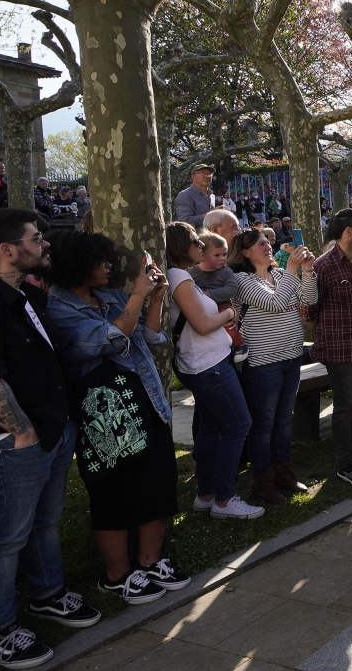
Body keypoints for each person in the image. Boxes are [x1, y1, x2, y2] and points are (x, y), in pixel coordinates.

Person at [0, 209, 101, 669]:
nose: (44, 244)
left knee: (43, 524)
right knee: (3, 540)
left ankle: (46, 594)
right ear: (8, 251)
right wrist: (22, 434)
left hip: (46, 433)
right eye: (34, 238)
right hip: (6, 447)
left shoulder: (22, 294)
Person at [44, 230, 189, 605]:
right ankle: (117, 574)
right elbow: (108, 340)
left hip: (145, 400)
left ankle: (150, 561)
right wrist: (138, 294)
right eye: (99, 260)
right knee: (114, 492)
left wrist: (155, 296)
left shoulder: (109, 297)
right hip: (103, 414)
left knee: (157, 481)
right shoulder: (58, 309)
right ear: (76, 264)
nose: (108, 266)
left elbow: (151, 336)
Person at [165, 221, 261, 520]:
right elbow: (203, 324)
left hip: (206, 361)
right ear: (182, 246)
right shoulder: (180, 277)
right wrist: (231, 313)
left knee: (212, 427)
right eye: (196, 241)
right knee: (238, 424)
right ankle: (224, 498)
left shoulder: (181, 276)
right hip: (207, 365)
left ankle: (206, 494)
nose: (202, 246)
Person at [228, 229, 316, 505]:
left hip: (291, 357)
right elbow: (276, 304)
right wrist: (292, 269)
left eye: (268, 241)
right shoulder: (242, 280)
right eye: (260, 243)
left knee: (283, 420)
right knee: (264, 424)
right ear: (244, 252)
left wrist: (308, 271)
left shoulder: (280, 276)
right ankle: (262, 484)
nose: (268, 246)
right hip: (264, 362)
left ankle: (284, 475)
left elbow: (309, 300)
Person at [305, 208, 352, 488]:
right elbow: (308, 312)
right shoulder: (323, 266)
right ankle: (345, 463)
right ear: (348, 233)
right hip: (339, 349)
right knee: (346, 405)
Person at [173, 164, 216, 230]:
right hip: (193, 239)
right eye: (203, 173)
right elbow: (184, 222)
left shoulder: (212, 196)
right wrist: (209, 215)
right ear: (193, 176)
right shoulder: (185, 195)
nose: (207, 176)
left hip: (211, 238)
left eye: (209, 173)